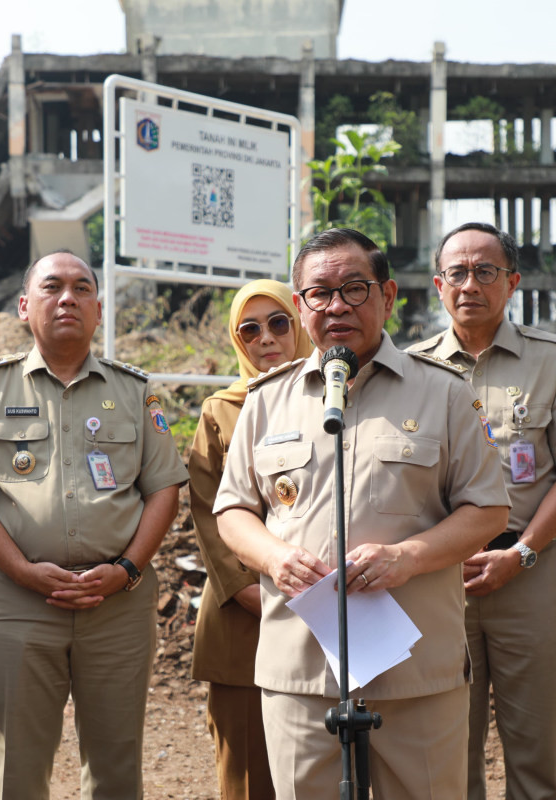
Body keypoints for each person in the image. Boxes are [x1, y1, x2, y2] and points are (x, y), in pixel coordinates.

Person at [213, 228, 511, 799]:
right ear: (300, 307)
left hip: (414, 669)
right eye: (319, 294)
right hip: (300, 669)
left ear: (388, 295)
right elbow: (233, 512)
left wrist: (407, 556)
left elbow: (488, 508)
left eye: (355, 288)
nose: (337, 306)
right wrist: (275, 558)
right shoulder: (266, 398)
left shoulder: (443, 394)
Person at [0, 250, 188, 800]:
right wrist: (22, 570)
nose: (67, 297)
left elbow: (164, 489)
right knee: (19, 771)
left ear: (98, 309)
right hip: (21, 604)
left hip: (116, 606)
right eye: (52, 287)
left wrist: (127, 568)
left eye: (81, 288)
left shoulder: (137, 391)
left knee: (117, 768)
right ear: (25, 306)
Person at [409, 222, 556, 800]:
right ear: (438, 285)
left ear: (512, 282)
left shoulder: (552, 360)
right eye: (458, 273)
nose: (471, 284)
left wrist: (521, 553)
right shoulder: (410, 369)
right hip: (440, 581)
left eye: (486, 271)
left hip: (531, 573)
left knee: (537, 755)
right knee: (443, 753)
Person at [188, 279, 313, 800]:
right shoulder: (221, 411)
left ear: (300, 324)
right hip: (248, 617)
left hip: (334, 613)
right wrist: (260, 595)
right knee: (248, 776)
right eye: (250, 329)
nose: (267, 338)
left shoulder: (339, 399)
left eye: (279, 322)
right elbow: (209, 513)